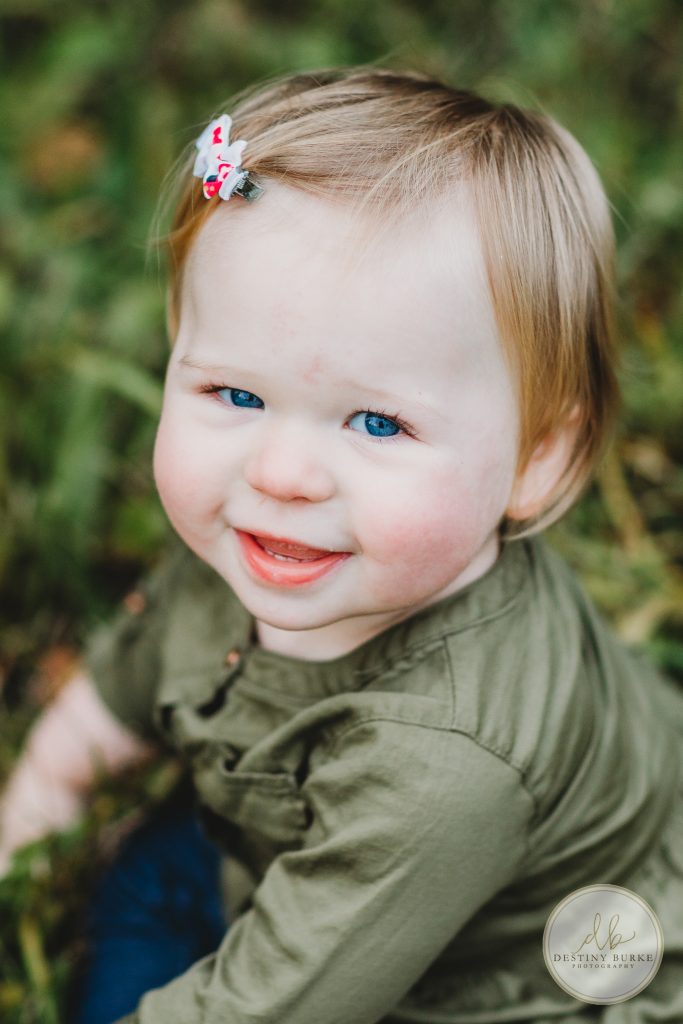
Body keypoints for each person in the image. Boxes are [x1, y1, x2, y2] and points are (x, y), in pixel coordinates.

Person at [1, 67, 682, 1024]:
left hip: (502, 967)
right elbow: (123, 682)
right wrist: (30, 823)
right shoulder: (265, 541)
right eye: (234, 395)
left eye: (375, 423)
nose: (280, 473)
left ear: (535, 456)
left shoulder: (442, 765)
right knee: (153, 879)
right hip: (281, 866)